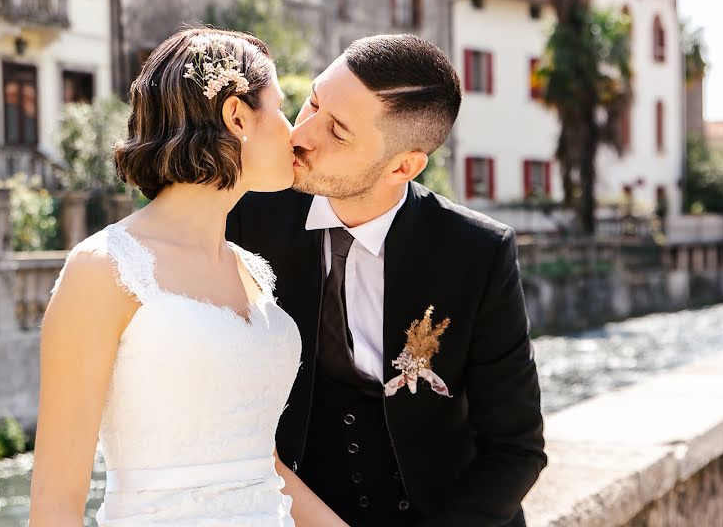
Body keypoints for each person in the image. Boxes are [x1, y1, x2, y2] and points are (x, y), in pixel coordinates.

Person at [29, 27, 345, 526]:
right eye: (281, 108)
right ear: (237, 116)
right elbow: (55, 501)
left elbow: (267, 467)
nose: (293, 131)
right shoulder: (105, 269)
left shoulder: (254, 271)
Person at [227, 34, 547, 527]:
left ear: (404, 165)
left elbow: (515, 449)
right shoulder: (247, 216)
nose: (302, 135)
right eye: (312, 101)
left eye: (337, 132)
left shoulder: (477, 253)